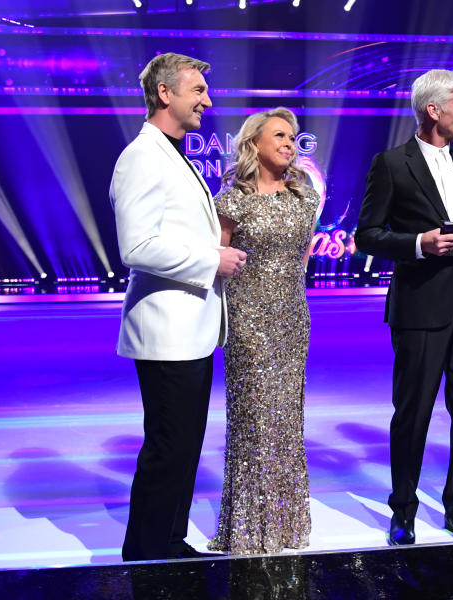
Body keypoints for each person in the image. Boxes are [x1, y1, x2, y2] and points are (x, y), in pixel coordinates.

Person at [356, 69, 453, 546]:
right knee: (413, 412)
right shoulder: (392, 164)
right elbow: (368, 234)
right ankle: (402, 511)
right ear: (434, 110)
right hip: (419, 307)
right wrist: (419, 243)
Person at [110, 52, 247, 561]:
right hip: (165, 328)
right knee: (169, 447)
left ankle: (168, 543)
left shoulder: (174, 153)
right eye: (198, 92)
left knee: (184, 445)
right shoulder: (142, 156)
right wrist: (210, 259)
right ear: (165, 93)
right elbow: (137, 247)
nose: (207, 101)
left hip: (188, 326)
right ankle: (144, 557)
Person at [207, 107, 319, 555]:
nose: (290, 142)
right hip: (249, 321)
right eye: (279, 135)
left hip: (293, 319)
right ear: (254, 143)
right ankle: (250, 526)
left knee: (287, 419)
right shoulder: (233, 199)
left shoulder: (304, 196)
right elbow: (215, 258)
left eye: (292, 136)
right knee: (254, 419)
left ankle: (286, 523)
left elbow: (301, 260)